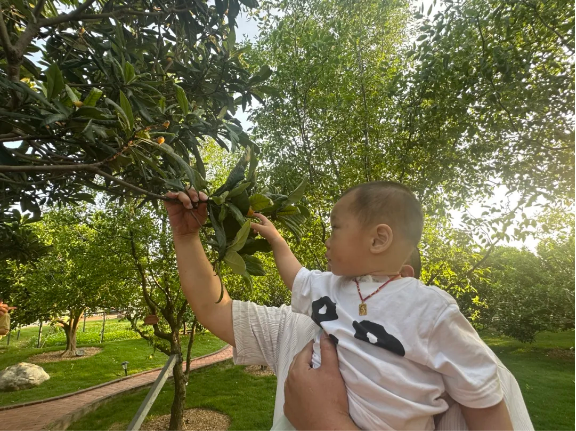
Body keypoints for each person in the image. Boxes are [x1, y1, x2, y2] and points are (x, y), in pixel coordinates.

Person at [164, 187, 533, 430]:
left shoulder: (462, 359)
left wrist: (325, 422)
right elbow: (213, 309)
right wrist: (186, 235)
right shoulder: (306, 321)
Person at [249, 181, 512, 430]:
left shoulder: (431, 308)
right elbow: (296, 277)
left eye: (335, 228)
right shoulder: (330, 286)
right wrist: (276, 241)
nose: (327, 241)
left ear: (378, 239)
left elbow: (482, 391)